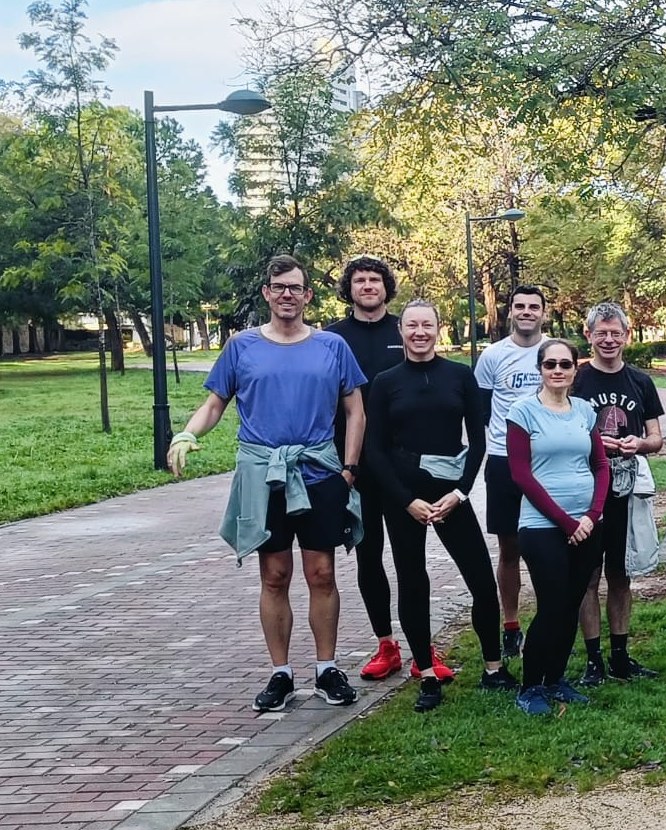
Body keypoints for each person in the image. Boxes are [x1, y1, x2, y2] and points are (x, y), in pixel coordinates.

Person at [167, 255, 366, 712]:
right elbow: (215, 404)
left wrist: (349, 468)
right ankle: (281, 674)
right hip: (264, 475)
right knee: (274, 575)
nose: (287, 295)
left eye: (295, 287)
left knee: (322, 572)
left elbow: (355, 410)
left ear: (308, 295)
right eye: (279, 287)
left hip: (319, 471)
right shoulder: (242, 346)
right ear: (267, 293)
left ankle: (327, 668)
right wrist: (187, 434)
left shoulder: (332, 346)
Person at [364, 300, 518, 712]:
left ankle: (493, 668)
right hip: (404, 498)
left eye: (427, 325)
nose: (420, 332)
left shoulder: (460, 376)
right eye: (412, 325)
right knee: (413, 583)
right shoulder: (385, 382)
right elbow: (374, 449)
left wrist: (461, 492)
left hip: (451, 496)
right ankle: (427, 675)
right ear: (401, 331)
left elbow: (479, 441)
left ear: (438, 329)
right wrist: (406, 500)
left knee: (482, 582)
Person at [507, 338, 611, 715]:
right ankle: (530, 686)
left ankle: (555, 679)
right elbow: (521, 474)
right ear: (540, 368)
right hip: (542, 526)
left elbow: (601, 465)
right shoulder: (523, 411)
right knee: (551, 606)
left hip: (587, 525)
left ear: (574, 370)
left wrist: (592, 515)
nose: (557, 370)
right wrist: (567, 522)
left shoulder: (584, 410)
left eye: (565, 364)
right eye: (550, 364)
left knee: (570, 605)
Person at [573, 302, 665, 684]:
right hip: (585, 487)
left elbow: (656, 437)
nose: (609, 340)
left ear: (626, 335)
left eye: (615, 333)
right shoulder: (576, 379)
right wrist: (592, 443)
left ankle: (620, 656)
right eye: (601, 333)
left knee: (621, 573)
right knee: (588, 576)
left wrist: (638, 444)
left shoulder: (640, 381)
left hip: (626, 487)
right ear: (589, 335)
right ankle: (593, 659)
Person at [326, 256, 409, 683]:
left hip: (403, 464)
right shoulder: (331, 338)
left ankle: (422, 642)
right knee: (368, 555)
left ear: (386, 286)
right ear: (350, 288)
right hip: (354, 465)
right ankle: (386, 644)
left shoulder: (404, 331)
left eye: (375, 279)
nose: (368, 286)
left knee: (410, 556)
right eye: (359, 280)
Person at [473, 285, 546, 660]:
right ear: (510, 311)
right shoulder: (493, 356)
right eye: (520, 306)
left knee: (547, 545)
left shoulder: (555, 352)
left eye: (534, 306)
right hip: (504, 460)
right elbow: (481, 411)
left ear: (543, 312)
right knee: (509, 547)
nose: (527, 311)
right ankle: (511, 625)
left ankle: (550, 621)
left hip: (547, 461)